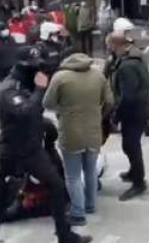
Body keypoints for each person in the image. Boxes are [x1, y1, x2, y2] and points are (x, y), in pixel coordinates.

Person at [0, 46, 91, 243]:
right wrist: (40, 89)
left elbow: (39, 113)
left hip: (32, 149)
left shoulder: (27, 83)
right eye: (35, 67)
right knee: (4, 196)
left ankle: (64, 235)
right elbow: (26, 112)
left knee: (57, 186)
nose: (39, 71)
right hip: (13, 151)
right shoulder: (10, 88)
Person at [43, 53, 114, 226]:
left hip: (70, 132)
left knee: (73, 175)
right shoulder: (98, 75)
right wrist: (98, 113)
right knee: (90, 171)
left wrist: (62, 109)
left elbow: (47, 103)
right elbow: (110, 101)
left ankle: (77, 213)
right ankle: (90, 205)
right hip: (93, 131)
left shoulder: (60, 77)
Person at [106, 30, 149, 200]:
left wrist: (116, 115)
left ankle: (139, 183)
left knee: (132, 146)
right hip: (139, 108)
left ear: (115, 45)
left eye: (110, 46)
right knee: (130, 145)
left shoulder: (127, 66)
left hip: (134, 111)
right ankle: (134, 172)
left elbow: (128, 96)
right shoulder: (132, 58)